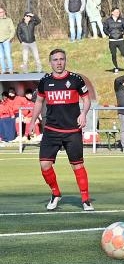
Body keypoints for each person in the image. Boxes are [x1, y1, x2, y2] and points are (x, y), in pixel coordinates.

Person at [28, 48, 94, 211]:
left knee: (77, 166)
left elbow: (86, 100)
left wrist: (84, 113)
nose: (59, 62)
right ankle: (56, 194)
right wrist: (32, 122)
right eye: (55, 60)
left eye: (61, 59)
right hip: (51, 130)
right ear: (50, 62)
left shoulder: (76, 79)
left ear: (65, 61)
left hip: (72, 130)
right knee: (44, 165)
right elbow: (38, 102)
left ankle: (85, 199)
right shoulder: (45, 81)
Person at [103, 7, 124, 73]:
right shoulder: (108, 21)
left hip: (120, 40)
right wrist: (109, 34)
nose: (117, 13)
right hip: (112, 41)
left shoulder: (122, 20)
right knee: (113, 55)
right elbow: (105, 29)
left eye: (118, 12)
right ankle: (116, 67)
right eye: (116, 12)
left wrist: (122, 32)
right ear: (112, 12)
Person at [0, 7, 16, 74]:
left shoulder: (8, 20)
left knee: (8, 56)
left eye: (2, 12)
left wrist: (9, 39)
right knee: (1, 56)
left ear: (4, 12)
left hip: (6, 40)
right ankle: (3, 70)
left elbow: (13, 30)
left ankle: (10, 69)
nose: (0, 13)